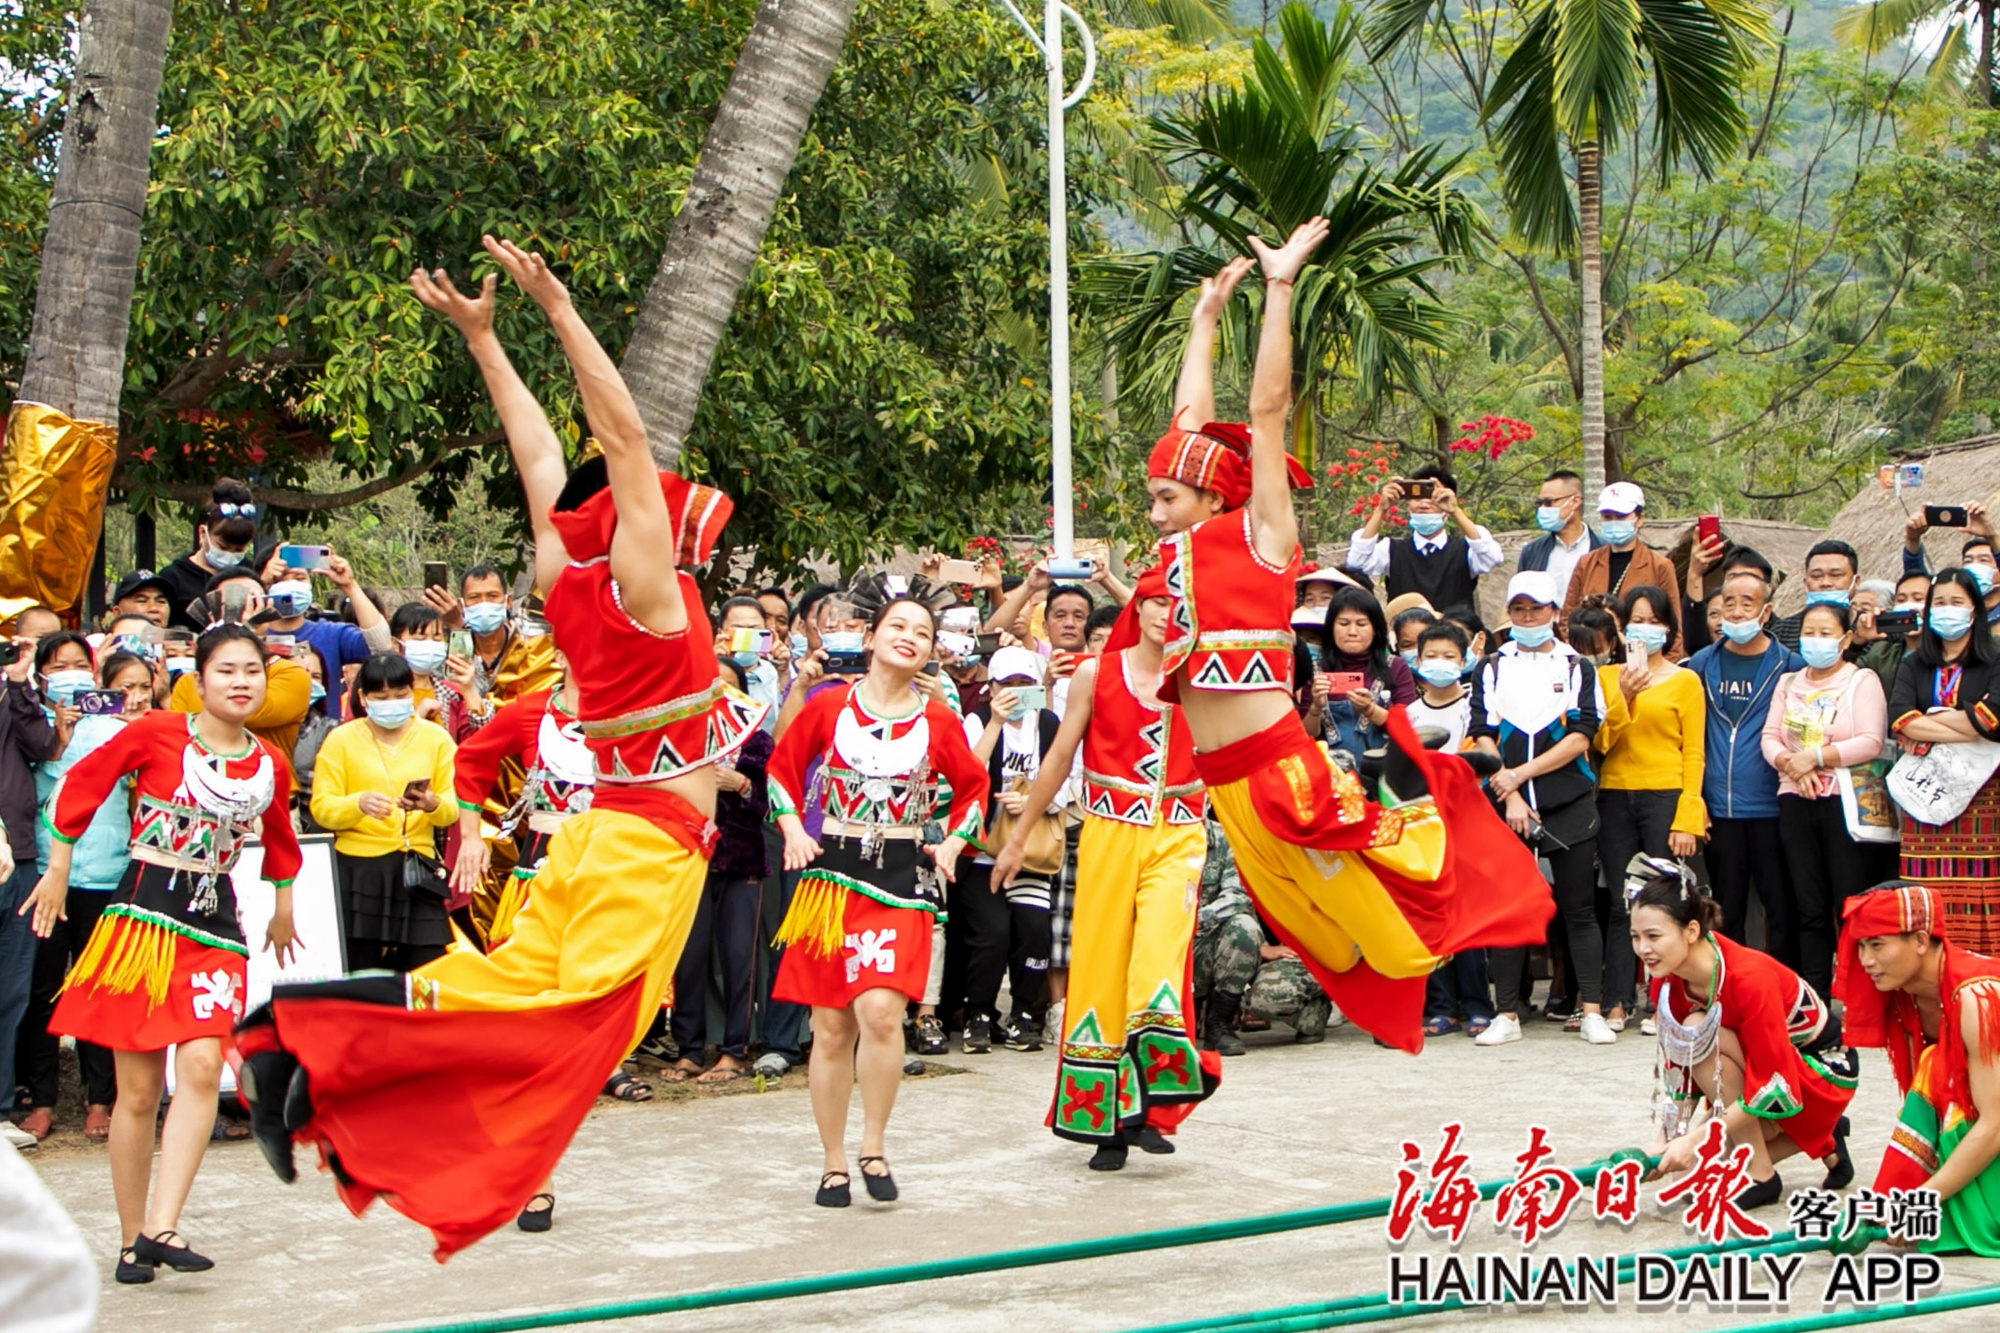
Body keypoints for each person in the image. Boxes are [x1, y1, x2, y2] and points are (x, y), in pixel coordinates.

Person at [233, 237, 767, 1259]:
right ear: (661, 534)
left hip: (596, 835)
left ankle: (303, 1040)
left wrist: (485, 340)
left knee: (502, 987)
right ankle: (336, 1072)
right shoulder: (651, 597)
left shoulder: (566, 575)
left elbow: (537, 456)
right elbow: (619, 433)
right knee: (580, 1022)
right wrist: (560, 314)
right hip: (645, 847)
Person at [1150, 218, 1548, 1051]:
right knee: (1327, 937)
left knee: (1394, 914)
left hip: (1278, 776)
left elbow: (1264, 413)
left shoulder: (1258, 538)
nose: (1153, 508)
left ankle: (1482, 916)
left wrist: (1280, 288)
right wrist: (1204, 323)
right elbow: (1192, 423)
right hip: (1225, 790)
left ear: (1211, 498)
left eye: (1166, 496)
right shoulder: (1175, 551)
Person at [20, 624, 302, 1283]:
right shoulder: (157, 734)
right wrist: (58, 867)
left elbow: (282, 839)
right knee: (139, 1092)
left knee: (204, 1065)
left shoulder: (269, 762)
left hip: (217, 929)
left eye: (252, 670)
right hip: (143, 922)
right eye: (226, 669)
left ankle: (164, 1223)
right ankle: (130, 1238)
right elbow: (81, 786)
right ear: (197, 680)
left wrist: (284, 905)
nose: (241, 681)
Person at [992, 571, 1217, 1169]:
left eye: (1179, 604)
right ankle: (1113, 1122)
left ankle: (1156, 1095)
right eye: (1156, 602)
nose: (1166, 613)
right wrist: (1017, 838)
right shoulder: (1097, 672)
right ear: (1137, 607)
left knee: (1158, 959)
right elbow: (1060, 755)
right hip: (1108, 832)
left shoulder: (1201, 676)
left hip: (1180, 831)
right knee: (1101, 974)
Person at [767, 596, 987, 1206]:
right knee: (831, 1027)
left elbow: (974, 790)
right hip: (828, 877)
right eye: (898, 626)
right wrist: (792, 829)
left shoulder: (939, 720)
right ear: (872, 635)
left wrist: (952, 846)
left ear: (931, 649)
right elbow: (782, 770)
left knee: (882, 1015)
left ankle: (874, 1144)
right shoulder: (830, 704)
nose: (909, 638)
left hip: (898, 879)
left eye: (923, 631)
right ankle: (833, 1160)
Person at [1632, 860, 1856, 1211]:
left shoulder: (1749, 977)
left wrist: (1697, 1138)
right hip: (1765, 1069)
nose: (1643, 948)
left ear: (1691, 931)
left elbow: (1778, 1084)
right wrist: (1666, 1140)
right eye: (1636, 937)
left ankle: (1761, 1173)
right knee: (1689, 1178)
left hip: (1821, 1067)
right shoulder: (1668, 978)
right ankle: (1823, 1135)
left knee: (1699, 1031)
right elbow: (1681, 1067)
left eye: (1653, 936)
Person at [12, 647, 151, 1145]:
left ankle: (101, 1101)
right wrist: (57, 732)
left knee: (101, 989)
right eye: (57, 666)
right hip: (49, 876)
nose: (68, 674)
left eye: (77, 664)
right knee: (44, 988)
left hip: (108, 873)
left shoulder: (123, 731)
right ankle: (43, 1101)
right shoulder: (34, 728)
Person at [1471, 571, 1611, 1047]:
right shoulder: (1490, 666)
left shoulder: (1577, 667)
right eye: (1519, 609)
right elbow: (1483, 731)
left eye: (1537, 609)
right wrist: (1507, 792)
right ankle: (1506, 1014)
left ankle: (1591, 1010)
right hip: (1504, 803)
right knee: (1509, 909)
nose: (1528, 617)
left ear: (1555, 613)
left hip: (1567, 801)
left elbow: (1581, 736)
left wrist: (1521, 776)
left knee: (1579, 909)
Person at [1835, 882, 2000, 1255]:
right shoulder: (1905, 997)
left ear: (1922, 940)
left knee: (1936, 1067)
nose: (1866, 961)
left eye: (1877, 945)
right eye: (1860, 946)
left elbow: (1995, 1124)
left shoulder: (1977, 996)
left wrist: (1918, 1203)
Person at [1591, 585, 1706, 1030]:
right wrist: (1625, 695)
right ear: (1621, 628)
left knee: (1667, 903)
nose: (1645, 629)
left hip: (1666, 794)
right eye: (1636, 620)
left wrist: (1688, 816)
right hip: (1616, 793)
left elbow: (1694, 751)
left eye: (1655, 621)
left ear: (1669, 630)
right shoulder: (1606, 678)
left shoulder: (1685, 679)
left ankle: (1667, 1001)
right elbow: (1600, 743)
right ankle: (1618, 998)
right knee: (1622, 902)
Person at [1762, 601, 1887, 996]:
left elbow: (1870, 741)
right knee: (1808, 904)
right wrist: (1792, 765)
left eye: (1825, 633)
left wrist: (1814, 758)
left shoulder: (1860, 680)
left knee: (1849, 903)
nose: (1815, 641)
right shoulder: (1788, 682)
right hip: (1794, 797)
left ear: (1846, 638)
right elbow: (1769, 736)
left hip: (1844, 801)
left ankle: (1859, 994)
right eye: (1809, 633)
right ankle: (1814, 994)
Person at [309, 653, 459, 973]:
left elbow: (451, 810)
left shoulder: (436, 739)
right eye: (381, 697)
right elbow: (322, 808)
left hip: (416, 866)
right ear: (363, 697)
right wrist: (357, 804)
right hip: (358, 870)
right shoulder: (341, 739)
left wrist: (430, 804)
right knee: (358, 971)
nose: (392, 703)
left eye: (401, 695)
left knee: (427, 970)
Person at [1687, 566, 1804, 960]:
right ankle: (1730, 985)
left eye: (1746, 603)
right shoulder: (1700, 665)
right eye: (1726, 605)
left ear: (1766, 612)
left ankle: (1787, 987)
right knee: (1727, 909)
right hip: (1720, 809)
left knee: (1781, 906)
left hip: (1775, 804)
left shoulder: (1791, 666)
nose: (1735, 613)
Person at [665, 675, 771, 1087]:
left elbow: (772, 800)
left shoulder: (756, 740)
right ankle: (688, 1049)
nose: (718, 694)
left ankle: (733, 1051)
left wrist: (742, 785)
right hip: (690, 859)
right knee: (687, 958)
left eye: (728, 685)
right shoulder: (681, 735)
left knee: (738, 959)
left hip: (742, 861)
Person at [953, 645, 1060, 1052]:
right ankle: (978, 1013)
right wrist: (996, 722)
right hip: (983, 851)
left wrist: (1033, 800)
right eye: (1006, 685)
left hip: (1032, 850)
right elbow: (966, 774)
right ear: (991, 687)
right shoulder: (976, 721)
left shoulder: (1049, 725)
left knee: (1034, 931)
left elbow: (1070, 782)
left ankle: (1022, 1015)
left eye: (1025, 685)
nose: (1016, 693)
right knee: (993, 933)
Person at [1890, 568, 2000, 954]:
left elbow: (1993, 720)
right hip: (1925, 797)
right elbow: (1900, 719)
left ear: (1975, 610)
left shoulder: (1995, 661)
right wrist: (1968, 725)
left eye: (1956, 602)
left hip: (1983, 798)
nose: (1946, 610)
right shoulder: (1914, 663)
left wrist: (1928, 723)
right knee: (1928, 896)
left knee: (1982, 892)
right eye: (1939, 603)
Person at [1194, 819, 1337, 1052]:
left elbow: (1238, 896)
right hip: (1161, 941)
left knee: (1246, 935)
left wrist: (1190, 920)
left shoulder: (1225, 837)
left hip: (1326, 949)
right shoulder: (1147, 833)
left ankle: (1219, 1024)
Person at [169, 568, 314, 778]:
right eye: (232, 604)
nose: (243, 610)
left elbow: (245, 709)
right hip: (200, 792)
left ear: (268, 609)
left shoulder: (292, 675)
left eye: (253, 602)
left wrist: (240, 634)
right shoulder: (189, 681)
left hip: (271, 794)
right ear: (211, 612)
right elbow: (179, 737)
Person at [0, 615, 56, 1151]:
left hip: (14, 862)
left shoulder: (10, 695)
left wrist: (18, 683)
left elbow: (42, 746)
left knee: (11, 990)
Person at [1346, 465, 1502, 632]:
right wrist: (1381, 509)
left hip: (1457, 642)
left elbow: (1491, 559)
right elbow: (1357, 563)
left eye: (1433, 497)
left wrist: (1456, 511)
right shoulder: (1391, 550)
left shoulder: (1466, 550)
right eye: (1417, 496)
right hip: (1406, 642)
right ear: (1408, 504)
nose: (1424, 504)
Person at [260, 551, 392, 721]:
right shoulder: (251, 640)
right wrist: (260, 583)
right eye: (280, 580)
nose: (291, 585)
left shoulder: (330, 633)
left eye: (299, 578)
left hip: (323, 740)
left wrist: (349, 586)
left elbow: (381, 645)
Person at [1304, 586, 1417, 770]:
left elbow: (1409, 727)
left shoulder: (1395, 667)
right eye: (1343, 623)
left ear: (1375, 629)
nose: (1352, 631)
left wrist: (1371, 710)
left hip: (1384, 771)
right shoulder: (1316, 669)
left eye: (1362, 624)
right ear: (1331, 627)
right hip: (1329, 773)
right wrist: (1316, 707)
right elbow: (1306, 735)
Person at [1560, 484, 1679, 643]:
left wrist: (1658, 666)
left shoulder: (1660, 566)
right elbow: (1567, 619)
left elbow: (1674, 627)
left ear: (1640, 519)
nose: (1614, 522)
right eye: (1608, 517)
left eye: (1621, 516)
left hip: (1642, 660)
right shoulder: (1586, 563)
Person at [157, 480, 260, 631]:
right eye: (223, 547)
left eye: (238, 549)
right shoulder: (173, 577)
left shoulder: (250, 575)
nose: (229, 554)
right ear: (202, 533)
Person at [1517, 469, 1604, 613]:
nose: (1543, 509)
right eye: (1540, 503)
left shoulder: (1604, 549)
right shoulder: (1532, 552)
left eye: (1549, 502)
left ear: (1575, 501)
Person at [1767, 540, 1862, 653]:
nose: (1825, 583)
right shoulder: (1782, 631)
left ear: (1856, 582)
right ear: (1805, 582)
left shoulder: (1869, 629)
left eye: (1835, 575)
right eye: (1816, 576)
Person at [1860, 570, 1934, 700]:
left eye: (1918, 599)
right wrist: (1858, 641)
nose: (1909, 606)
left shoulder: (1947, 653)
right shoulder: (1881, 654)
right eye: (1901, 600)